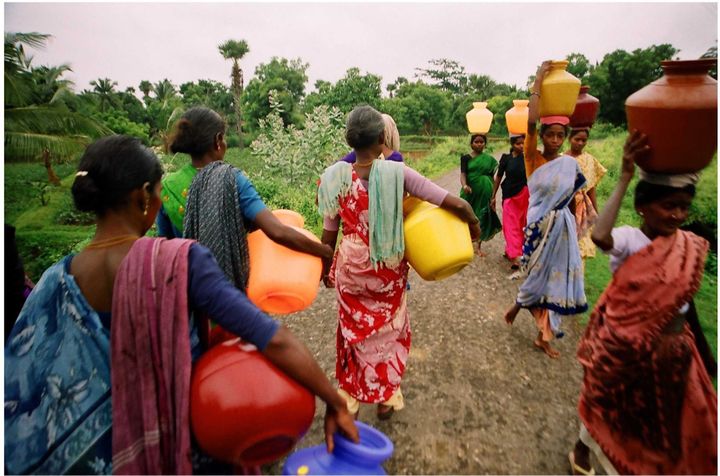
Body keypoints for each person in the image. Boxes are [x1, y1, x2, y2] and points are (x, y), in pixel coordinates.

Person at [4, 136, 358, 475]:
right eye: (157, 192)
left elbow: (22, 373)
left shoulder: (55, 278)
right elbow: (271, 337)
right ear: (143, 195)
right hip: (171, 446)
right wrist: (334, 400)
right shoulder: (176, 263)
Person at [318, 105, 480, 420]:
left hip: (350, 266)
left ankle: (350, 398)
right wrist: (474, 226)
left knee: (354, 332)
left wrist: (325, 271)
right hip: (386, 267)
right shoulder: (398, 174)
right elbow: (454, 203)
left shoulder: (334, 176)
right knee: (389, 331)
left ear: (350, 141)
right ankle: (386, 395)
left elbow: (328, 234)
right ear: (382, 138)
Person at [569, 131, 717, 475]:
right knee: (607, 402)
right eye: (668, 206)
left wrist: (705, 350)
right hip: (626, 346)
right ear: (642, 207)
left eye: (684, 206)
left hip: (674, 350)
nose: (677, 215)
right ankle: (586, 447)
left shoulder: (690, 246)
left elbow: (686, 299)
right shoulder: (629, 239)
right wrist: (624, 176)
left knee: (664, 420)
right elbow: (600, 235)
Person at [158, 107, 332, 291]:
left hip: (188, 294)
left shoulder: (167, 187)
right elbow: (277, 231)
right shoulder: (232, 180)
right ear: (218, 141)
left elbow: (165, 249)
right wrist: (324, 251)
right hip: (228, 295)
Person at [504, 61, 588, 358]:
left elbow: (576, 197)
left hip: (562, 230)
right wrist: (538, 81)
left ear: (565, 138)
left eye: (559, 136)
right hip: (539, 226)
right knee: (538, 275)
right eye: (549, 135)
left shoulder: (567, 164)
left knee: (557, 280)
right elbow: (530, 123)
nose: (554, 140)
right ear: (541, 135)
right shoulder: (532, 158)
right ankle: (523, 304)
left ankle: (543, 333)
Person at [565, 127, 607, 272]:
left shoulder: (590, 160)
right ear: (570, 138)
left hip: (582, 209)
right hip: (564, 207)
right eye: (577, 139)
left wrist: (596, 214)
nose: (580, 143)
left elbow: (591, 189)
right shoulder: (561, 159)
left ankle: (577, 284)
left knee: (580, 246)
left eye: (584, 140)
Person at [490, 134, 528, 269]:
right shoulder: (505, 159)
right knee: (509, 224)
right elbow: (498, 177)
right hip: (509, 195)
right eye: (518, 144)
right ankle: (516, 256)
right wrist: (493, 195)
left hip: (524, 195)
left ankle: (512, 250)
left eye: (524, 143)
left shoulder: (527, 158)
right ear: (512, 144)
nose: (522, 146)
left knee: (520, 224)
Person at [460, 133, 502, 256]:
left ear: (485, 144)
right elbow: (463, 174)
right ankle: (465, 242)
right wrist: (464, 186)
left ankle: (478, 246)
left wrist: (493, 195)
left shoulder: (489, 160)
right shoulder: (465, 158)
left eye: (481, 142)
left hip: (485, 193)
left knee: (481, 216)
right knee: (467, 215)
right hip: (470, 193)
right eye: (476, 142)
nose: (479, 144)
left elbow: (492, 177)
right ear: (471, 144)